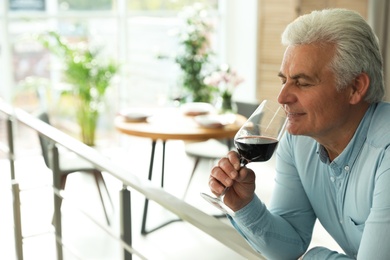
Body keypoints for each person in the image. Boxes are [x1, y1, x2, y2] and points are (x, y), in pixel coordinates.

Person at [208, 8, 390, 259]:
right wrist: (244, 206)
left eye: (303, 83)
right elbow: (288, 245)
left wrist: (313, 256)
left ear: (355, 87)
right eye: (284, 80)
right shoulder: (298, 141)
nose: (282, 97)